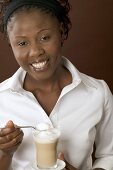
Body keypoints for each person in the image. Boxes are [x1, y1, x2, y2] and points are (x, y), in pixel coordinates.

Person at [0, 0, 113, 170]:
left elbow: (109, 155)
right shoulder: (2, 98)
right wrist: (5, 153)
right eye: (22, 43)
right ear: (11, 44)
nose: (36, 51)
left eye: (44, 37)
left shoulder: (98, 92)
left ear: (60, 31)